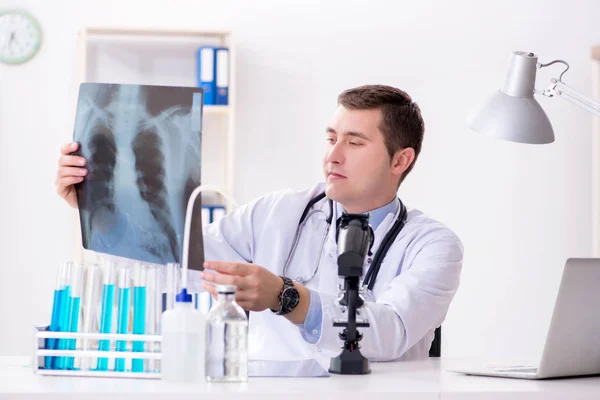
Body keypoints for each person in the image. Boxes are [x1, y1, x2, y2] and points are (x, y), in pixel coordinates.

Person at [56, 84, 463, 365]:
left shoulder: (432, 245)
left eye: (354, 142)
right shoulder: (276, 212)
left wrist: (287, 297)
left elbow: (391, 331)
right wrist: (100, 207)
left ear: (400, 160)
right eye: (331, 137)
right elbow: (182, 262)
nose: (332, 156)